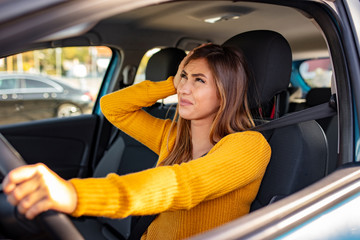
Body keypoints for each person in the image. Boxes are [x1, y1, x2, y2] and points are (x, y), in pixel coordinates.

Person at [2, 44, 271, 239]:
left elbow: (180, 185)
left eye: (199, 80)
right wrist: (170, 83)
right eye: (184, 77)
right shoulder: (173, 136)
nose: (184, 89)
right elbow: (112, 107)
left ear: (226, 92)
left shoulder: (249, 146)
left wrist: (73, 194)